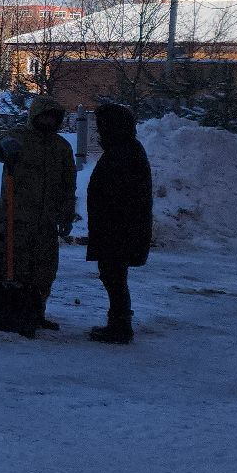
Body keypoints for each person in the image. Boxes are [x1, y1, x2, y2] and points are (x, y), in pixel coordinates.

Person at [0, 95, 77, 330]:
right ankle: (17, 313)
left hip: (46, 221)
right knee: (17, 268)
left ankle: (37, 313)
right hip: (18, 218)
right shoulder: (18, 137)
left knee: (44, 270)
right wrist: (2, 146)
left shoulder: (61, 147)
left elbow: (68, 184)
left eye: (53, 118)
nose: (48, 121)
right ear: (35, 116)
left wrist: (67, 214)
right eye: (44, 116)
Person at [84, 103, 152, 344]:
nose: (98, 130)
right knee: (113, 275)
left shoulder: (123, 152)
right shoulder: (124, 149)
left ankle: (120, 325)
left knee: (114, 276)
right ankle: (119, 322)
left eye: (101, 125)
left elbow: (119, 194)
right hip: (117, 227)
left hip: (118, 228)